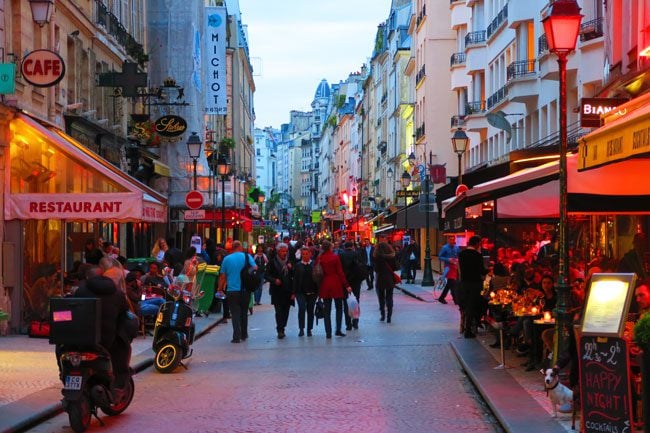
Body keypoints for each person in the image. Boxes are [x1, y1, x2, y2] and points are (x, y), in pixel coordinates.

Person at [74, 266, 131, 388]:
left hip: (79, 338)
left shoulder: (81, 291)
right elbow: (126, 313)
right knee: (121, 349)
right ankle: (117, 383)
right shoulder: (117, 293)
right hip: (105, 341)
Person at [217, 241, 257, 343]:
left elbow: (222, 276)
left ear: (232, 248)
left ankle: (236, 336)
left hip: (232, 290)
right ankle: (244, 334)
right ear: (239, 247)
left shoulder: (227, 259)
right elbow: (255, 268)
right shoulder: (247, 256)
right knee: (244, 312)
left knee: (235, 313)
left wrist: (220, 289)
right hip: (245, 289)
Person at [317, 240, 352, 338]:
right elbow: (340, 273)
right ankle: (338, 329)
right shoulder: (335, 257)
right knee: (339, 308)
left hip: (325, 284)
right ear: (330, 248)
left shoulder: (320, 258)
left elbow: (316, 272)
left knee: (327, 310)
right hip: (336, 283)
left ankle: (328, 332)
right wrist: (346, 285)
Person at [458, 235, 487, 338]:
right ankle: (469, 329)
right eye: (480, 243)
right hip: (475, 283)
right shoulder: (477, 255)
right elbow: (482, 271)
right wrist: (489, 269)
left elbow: (460, 270)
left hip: (464, 283)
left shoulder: (461, 254)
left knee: (467, 305)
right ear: (477, 243)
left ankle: (467, 327)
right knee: (475, 305)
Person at [266, 243, 294, 339]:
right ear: (278, 252)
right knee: (279, 311)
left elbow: (294, 275)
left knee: (286, 311)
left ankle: (283, 327)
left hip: (287, 290)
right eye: (282, 251)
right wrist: (274, 280)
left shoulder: (289, 262)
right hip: (277, 291)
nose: (284, 253)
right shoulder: (272, 262)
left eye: (286, 251)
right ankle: (280, 330)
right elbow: (267, 275)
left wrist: (291, 268)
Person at [340, 241, 365, 330]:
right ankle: (355, 321)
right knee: (355, 301)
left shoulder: (341, 255)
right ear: (352, 246)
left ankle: (348, 324)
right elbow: (362, 267)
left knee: (346, 302)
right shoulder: (357, 254)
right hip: (356, 281)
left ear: (345, 247)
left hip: (345, 282)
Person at [293, 246, 318, 336]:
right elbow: (295, 279)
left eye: (306, 254)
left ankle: (309, 329)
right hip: (300, 292)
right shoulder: (298, 265)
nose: (305, 256)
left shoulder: (314, 264)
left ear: (310, 254)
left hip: (313, 292)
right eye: (303, 254)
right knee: (302, 309)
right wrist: (293, 292)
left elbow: (318, 278)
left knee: (310, 310)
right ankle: (301, 328)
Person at [373, 241, 398, 323]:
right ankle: (389, 317)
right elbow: (395, 267)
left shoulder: (377, 257)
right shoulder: (391, 256)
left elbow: (376, 269)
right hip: (390, 279)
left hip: (380, 279)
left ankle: (382, 315)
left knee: (381, 298)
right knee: (389, 297)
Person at [438, 235, 459, 304]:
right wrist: (448, 259)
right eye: (451, 240)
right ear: (448, 240)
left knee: (450, 284)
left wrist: (457, 259)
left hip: (455, 267)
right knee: (452, 283)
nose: (452, 241)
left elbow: (459, 255)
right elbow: (440, 257)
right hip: (448, 267)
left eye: (453, 239)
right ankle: (456, 299)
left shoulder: (456, 247)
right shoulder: (445, 247)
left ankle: (442, 298)